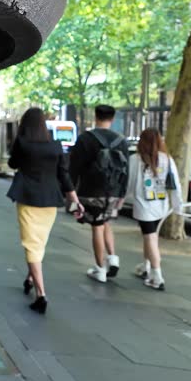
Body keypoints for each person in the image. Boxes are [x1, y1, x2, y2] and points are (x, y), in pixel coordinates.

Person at [7, 108, 83, 314]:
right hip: (50, 202)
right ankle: (30, 277)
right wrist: (75, 201)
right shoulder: (56, 146)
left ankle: (41, 295)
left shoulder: (22, 144)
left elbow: (12, 163)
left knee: (31, 245)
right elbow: (64, 176)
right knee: (38, 242)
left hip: (28, 199)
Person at [68, 105, 129, 283]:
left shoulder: (85, 139)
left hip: (92, 191)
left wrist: (71, 192)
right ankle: (112, 258)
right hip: (114, 191)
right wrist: (122, 193)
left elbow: (74, 168)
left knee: (97, 226)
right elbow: (126, 170)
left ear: (95, 117)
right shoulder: (121, 141)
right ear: (112, 118)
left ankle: (100, 268)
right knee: (105, 222)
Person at [123, 128, 181, 291]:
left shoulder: (135, 159)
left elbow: (128, 184)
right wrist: (178, 206)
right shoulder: (167, 159)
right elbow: (175, 184)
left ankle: (157, 275)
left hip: (144, 207)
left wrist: (119, 201)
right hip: (161, 205)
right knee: (150, 236)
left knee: (150, 238)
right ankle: (146, 265)